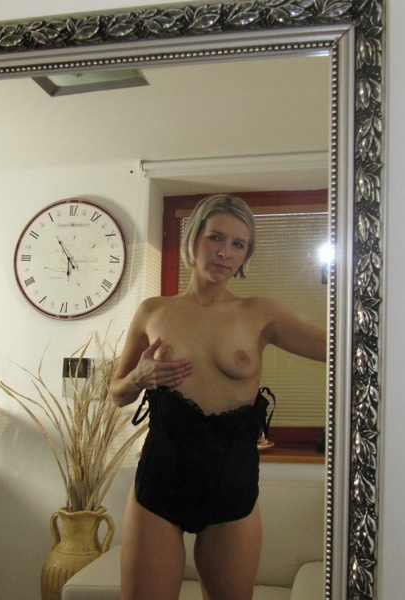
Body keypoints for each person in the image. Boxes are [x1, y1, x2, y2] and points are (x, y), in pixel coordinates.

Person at [109, 194, 326, 600]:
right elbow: (116, 393)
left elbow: (344, 349)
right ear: (193, 240)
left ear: (246, 255)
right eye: (216, 238)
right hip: (160, 483)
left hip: (232, 487)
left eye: (238, 244)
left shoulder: (260, 313)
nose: (226, 252)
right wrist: (138, 377)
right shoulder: (153, 312)